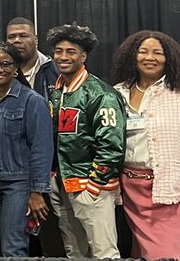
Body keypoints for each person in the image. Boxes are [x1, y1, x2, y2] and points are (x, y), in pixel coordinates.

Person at [111, 31, 180, 260]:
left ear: (169, 58)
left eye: (157, 53)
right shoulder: (117, 93)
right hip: (131, 190)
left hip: (170, 192)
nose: (150, 57)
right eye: (143, 52)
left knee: (168, 254)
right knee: (144, 253)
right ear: (133, 56)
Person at [44, 23, 125, 259]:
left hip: (91, 187)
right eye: (59, 51)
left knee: (104, 253)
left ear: (83, 55)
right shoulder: (57, 90)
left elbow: (112, 145)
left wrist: (94, 185)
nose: (63, 56)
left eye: (71, 52)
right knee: (74, 252)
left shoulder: (102, 94)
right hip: (61, 184)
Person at [0, 42, 54, 257]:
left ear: (15, 68)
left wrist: (37, 192)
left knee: (13, 246)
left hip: (18, 184)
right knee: (3, 242)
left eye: (5, 64)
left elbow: (42, 149)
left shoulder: (32, 101)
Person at [6, 17, 60, 98]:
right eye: (11, 37)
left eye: (23, 36)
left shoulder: (55, 70)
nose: (17, 40)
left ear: (36, 40)